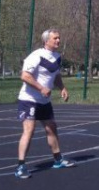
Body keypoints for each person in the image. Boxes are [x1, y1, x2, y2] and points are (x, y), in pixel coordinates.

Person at [15, 28, 76, 179]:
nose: (58, 40)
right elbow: (24, 76)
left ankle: (58, 160)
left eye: (59, 38)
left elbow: (56, 75)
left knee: (52, 128)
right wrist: (41, 88)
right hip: (29, 99)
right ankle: (21, 167)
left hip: (44, 101)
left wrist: (62, 87)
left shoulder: (57, 57)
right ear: (46, 40)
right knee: (29, 130)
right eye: (55, 38)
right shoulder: (36, 56)